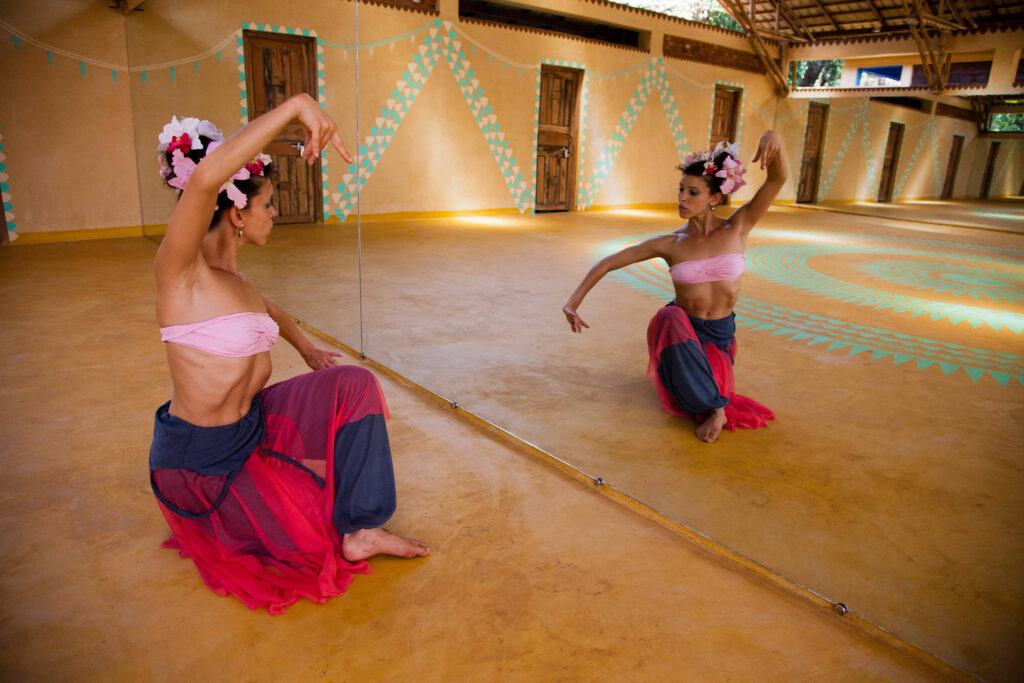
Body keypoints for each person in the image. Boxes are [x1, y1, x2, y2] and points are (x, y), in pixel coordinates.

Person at [149, 94, 428, 615]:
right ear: (236, 212)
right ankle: (310, 522)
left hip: (251, 425)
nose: (275, 214)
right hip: (205, 465)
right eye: (268, 204)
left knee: (354, 384)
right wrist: (298, 107)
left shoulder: (237, 282)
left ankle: (363, 528)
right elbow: (207, 178)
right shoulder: (179, 275)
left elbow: (268, 310)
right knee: (303, 534)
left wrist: (307, 350)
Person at [563, 132, 787, 444]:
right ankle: (715, 409)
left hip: (719, 333)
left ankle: (710, 399)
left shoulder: (738, 226)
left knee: (705, 393)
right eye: (681, 190)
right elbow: (608, 263)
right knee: (669, 318)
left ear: (714, 198)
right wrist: (572, 303)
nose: (682, 198)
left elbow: (777, 180)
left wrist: (773, 138)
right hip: (683, 330)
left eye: (693, 192)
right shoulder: (670, 243)